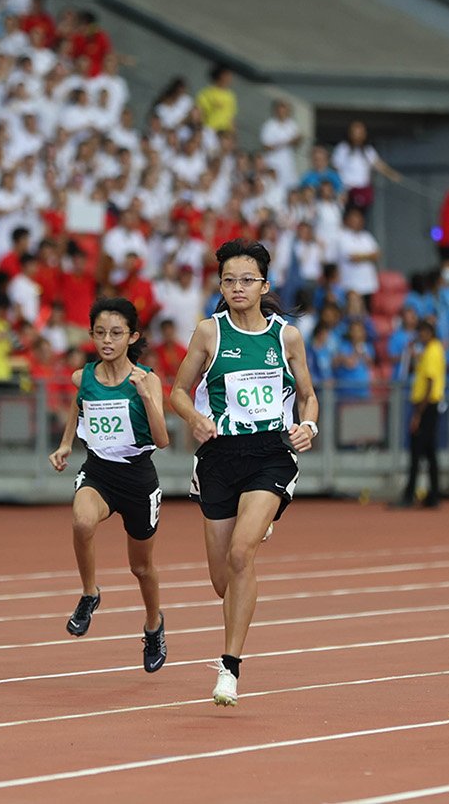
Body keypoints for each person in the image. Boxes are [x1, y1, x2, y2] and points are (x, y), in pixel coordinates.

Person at [167, 239, 320, 706]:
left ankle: (229, 668)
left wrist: (308, 425)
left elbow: (308, 396)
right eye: (229, 280)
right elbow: (177, 390)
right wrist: (194, 419)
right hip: (219, 455)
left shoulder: (285, 337)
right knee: (221, 580)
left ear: (264, 286)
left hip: (269, 453)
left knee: (240, 554)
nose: (237, 287)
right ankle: (255, 526)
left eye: (247, 280)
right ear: (221, 285)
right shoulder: (208, 333)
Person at [47, 298, 171, 672]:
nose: (107, 340)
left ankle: (154, 626)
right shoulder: (82, 376)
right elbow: (78, 403)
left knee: (142, 568)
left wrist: (148, 397)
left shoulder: (147, 379)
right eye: (100, 333)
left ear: (132, 336)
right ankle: (89, 593)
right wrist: (67, 442)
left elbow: (163, 440)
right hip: (99, 470)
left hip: (138, 477)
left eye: (116, 334)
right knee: (82, 521)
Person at [399, 319, 444, 508]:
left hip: (426, 406)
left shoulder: (432, 351)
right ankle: (433, 496)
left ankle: (410, 495)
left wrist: (418, 413)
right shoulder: (431, 350)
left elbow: (430, 383)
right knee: (429, 452)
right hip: (428, 405)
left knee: (417, 452)